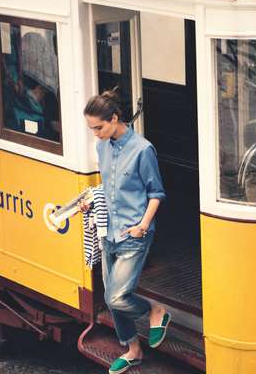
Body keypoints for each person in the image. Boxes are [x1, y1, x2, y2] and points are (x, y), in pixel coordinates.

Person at [81, 89, 170, 374]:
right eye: (91, 128)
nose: (95, 134)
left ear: (115, 118)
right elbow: (108, 187)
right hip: (108, 233)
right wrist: (91, 202)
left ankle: (156, 311)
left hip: (134, 233)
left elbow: (156, 193)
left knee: (116, 298)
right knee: (113, 296)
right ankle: (133, 350)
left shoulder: (143, 150)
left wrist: (143, 225)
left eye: (99, 127)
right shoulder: (102, 147)